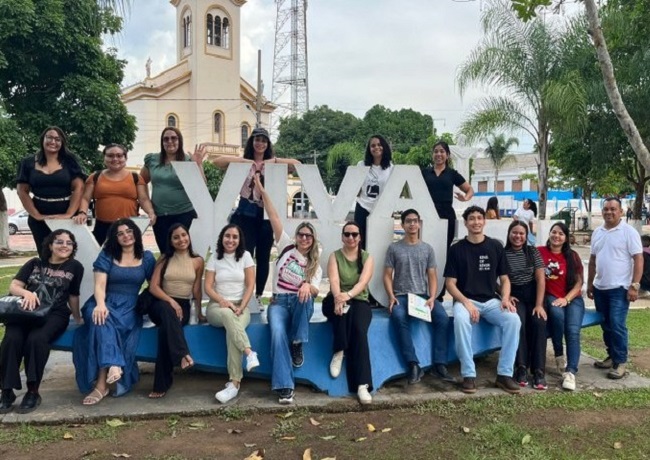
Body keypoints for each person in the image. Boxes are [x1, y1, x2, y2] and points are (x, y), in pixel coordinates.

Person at [213, 127, 301, 310]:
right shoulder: (244, 163)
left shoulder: (273, 164)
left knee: (263, 256)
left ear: (268, 144)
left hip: (265, 214)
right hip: (245, 212)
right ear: (251, 142)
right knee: (244, 255)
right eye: (257, 140)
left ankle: (259, 295)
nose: (260, 143)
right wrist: (244, 161)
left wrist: (274, 161)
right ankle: (242, 295)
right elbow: (217, 162)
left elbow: (297, 163)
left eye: (263, 140)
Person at [0, 230, 84, 414]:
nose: (64, 246)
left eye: (69, 243)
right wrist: (27, 293)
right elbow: (14, 285)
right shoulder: (34, 263)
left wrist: (77, 317)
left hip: (55, 314)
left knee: (36, 340)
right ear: (50, 245)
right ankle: (6, 390)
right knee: (12, 339)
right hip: (25, 311)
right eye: (59, 242)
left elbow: (73, 294)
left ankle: (33, 391)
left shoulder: (75, 267)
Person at [255, 173, 321, 405]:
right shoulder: (285, 246)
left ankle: (298, 341)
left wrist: (307, 285)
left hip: (300, 305)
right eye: (301, 234)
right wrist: (262, 190)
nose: (304, 238)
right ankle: (285, 386)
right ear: (296, 236)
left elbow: (316, 290)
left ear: (313, 240)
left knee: (306, 295)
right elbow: (273, 215)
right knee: (277, 334)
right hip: (279, 303)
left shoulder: (314, 263)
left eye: (308, 236)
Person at [73, 218, 156, 404]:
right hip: (103, 300)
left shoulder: (147, 258)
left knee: (104, 326)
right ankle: (114, 365)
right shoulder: (107, 255)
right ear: (114, 238)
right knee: (100, 318)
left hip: (130, 306)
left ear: (135, 233)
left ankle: (101, 385)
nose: (126, 236)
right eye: (120, 234)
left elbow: (154, 285)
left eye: (129, 231)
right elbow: (99, 285)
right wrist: (100, 304)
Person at [444, 206, 521, 395]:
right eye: (472, 218)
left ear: (484, 221)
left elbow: (505, 279)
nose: (476, 222)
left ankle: (504, 374)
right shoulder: (456, 249)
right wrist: (466, 302)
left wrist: (505, 298)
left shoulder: (495, 246)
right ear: (465, 223)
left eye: (479, 218)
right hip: (465, 301)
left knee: (513, 320)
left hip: (491, 302)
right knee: (461, 320)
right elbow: (450, 284)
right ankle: (468, 374)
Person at [383, 209, 454, 385]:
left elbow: (432, 276)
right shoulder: (394, 248)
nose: (412, 224)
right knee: (398, 317)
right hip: (401, 296)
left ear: (419, 224)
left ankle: (440, 364)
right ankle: (413, 364)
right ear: (402, 225)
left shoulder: (427, 249)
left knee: (443, 319)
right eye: (408, 221)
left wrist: (432, 297)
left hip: (423, 296)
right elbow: (387, 275)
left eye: (415, 221)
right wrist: (391, 296)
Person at [587, 197, 643, 380]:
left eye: (613, 209)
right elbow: (593, 260)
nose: (609, 212)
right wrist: (590, 283)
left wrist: (634, 285)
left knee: (617, 325)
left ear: (621, 212)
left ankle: (620, 362)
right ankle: (611, 356)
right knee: (606, 325)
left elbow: (638, 258)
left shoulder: (629, 232)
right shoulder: (598, 232)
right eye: (606, 209)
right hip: (600, 287)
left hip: (620, 288)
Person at [204, 224, 260, 404]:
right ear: (222, 237)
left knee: (232, 330)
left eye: (235, 237)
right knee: (228, 316)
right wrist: (223, 301)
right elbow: (208, 287)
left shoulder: (246, 256)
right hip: (217, 306)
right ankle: (249, 353)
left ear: (240, 239)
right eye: (227, 236)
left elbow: (250, 285)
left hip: (240, 307)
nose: (231, 240)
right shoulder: (215, 257)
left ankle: (234, 384)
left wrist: (242, 306)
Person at [147, 224, 204, 398]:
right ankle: (182, 353)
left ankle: (161, 384)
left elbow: (196, 289)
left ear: (189, 236)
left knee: (166, 330)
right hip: (161, 303)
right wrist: (170, 301)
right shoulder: (164, 258)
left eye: (183, 235)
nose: (181, 240)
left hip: (182, 306)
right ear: (170, 241)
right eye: (176, 237)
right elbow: (153, 287)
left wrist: (199, 312)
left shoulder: (198, 261)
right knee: (167, 311)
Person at [323, 221, 374, 404]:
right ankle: (338, 352)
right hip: (335, 299)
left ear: (360, 237)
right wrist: (339, 298)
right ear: (342, 237)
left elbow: (363, 282)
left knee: (359, 330)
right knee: (342, 311)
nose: (351, 237)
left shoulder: (367, 257)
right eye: (347, 234)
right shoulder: (334, 256)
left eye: (354, 234)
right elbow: (334, 281)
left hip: (359, 300)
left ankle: (362, 385)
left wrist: (348, 295)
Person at [16, 126, 85, 257]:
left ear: (62, 142)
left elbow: (79, 188)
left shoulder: (70, 161)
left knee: (67, 254)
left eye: (57, 139)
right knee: (45, 255)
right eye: (49, 138)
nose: (53, 142)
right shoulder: (27, 162)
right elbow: (22, 190)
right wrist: (36, 215)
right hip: (39, 217)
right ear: (43, 139)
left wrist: (69, 214)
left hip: (66, 215)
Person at [73, 143, 156, 245]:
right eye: (110, 155)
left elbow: (144, 199)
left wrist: (151, 212)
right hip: (102, 227)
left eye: (119, 155)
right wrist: (82, 213)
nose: (115, 159)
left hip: (128, 227)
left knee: (128, 254)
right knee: (101, 254)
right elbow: (85, 198)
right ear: (104, 158)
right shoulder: (95, 177)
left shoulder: (136, 177)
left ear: (125, 158)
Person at [140, 127, 207, 253]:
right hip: (160, 216)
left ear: (179, 140)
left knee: (185, 253)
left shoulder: (188, 160)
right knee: (166, 253)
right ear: (162, 142)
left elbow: (201, 187)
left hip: (184, 215)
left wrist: (198, 165)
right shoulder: (152, 160)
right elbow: (141, 181)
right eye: (166, 139)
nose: (170, 141)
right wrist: (145, 202)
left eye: (174, 138)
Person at [422, 140, 474, 300]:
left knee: (443, 252)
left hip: (446, 216)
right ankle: (424, 288)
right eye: (436, 151)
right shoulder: (425, 172)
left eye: (442, 151)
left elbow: (469, 189)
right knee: (424, 251)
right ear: (432, 154)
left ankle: (439, 291)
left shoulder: (452, 174)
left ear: (448, 155)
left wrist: (466, 198)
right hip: (427, 215)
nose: (438, 154)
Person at [538, 222, 584, 391]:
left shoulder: (573, 256)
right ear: (549, 234)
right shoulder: (539, 252)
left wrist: (566, 299)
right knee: (557, 315)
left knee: (572, 330)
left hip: (572, 298)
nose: (556, 236)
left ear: (566, 238)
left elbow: (579, 283)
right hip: (551, 296)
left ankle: (570, 372)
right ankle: (558, 353)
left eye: (561, 234)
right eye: (554, 232)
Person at [504, 221, 547, 390]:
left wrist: (539, 304)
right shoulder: (503, 254)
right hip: (516, 295)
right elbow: (496, 280)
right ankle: (521, 367)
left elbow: (541, 279)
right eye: (514, 232)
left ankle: (539, 370)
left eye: (522, 233)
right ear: (509, 234)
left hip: (533, 294)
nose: (518, 236)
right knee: (518, 322)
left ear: (526, 235)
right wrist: (506, 295)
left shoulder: (532, 252)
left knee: (539, 322)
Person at [354, 135, 393, 250]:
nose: (376, 147)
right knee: (360, 242)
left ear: (384, 147)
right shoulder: (361, 165)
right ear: (369, 149)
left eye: (379, 145)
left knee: (380, 242)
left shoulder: (390, 168)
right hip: (363, 207)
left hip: (381, 209)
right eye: (373, 145)